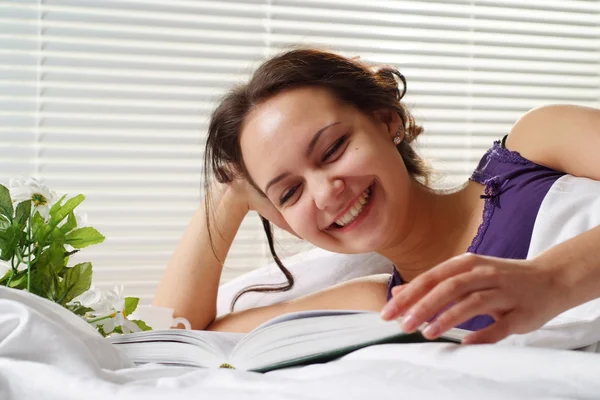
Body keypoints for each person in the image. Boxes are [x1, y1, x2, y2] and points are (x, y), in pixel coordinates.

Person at [154, 47, 600, 344]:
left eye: (333, 149)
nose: (327, 193)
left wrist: (552, 280)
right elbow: (172, 338)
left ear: (388, 120)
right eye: (290, 192)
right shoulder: (377, 305)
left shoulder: (535, 146)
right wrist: (228, 194)